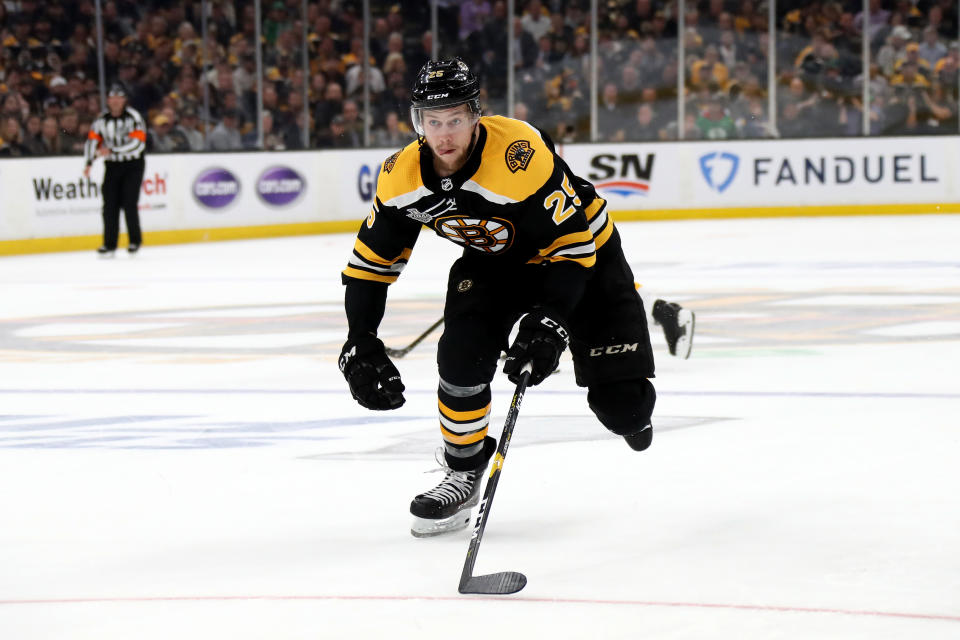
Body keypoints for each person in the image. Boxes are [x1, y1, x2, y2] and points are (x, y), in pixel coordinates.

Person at [337, 59, 690, 539]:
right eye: (432, 121)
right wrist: (360, 339)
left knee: (626, 411)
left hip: (583, 256)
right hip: (494, 260)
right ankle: (463, 470)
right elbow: (369, 267)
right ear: (417, 121)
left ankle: (636, 370)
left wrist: (550, 322)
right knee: (460, 357)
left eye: (456, 119)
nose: (444, 134)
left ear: (476, 115)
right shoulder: (401, 179)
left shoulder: (517, 156)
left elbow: (572, 249)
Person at [83, 84, 146, 257]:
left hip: (133, 164)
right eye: (113, 98)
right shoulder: (101, 120)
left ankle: (134, 241)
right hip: (112, 165)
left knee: (129, 202)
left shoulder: (134, 117)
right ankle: (109, 244)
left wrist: (113, 150)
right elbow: (92, 141)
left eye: (120, 98)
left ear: (125, 100)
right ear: (108, 101)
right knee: (109, 204)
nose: (116, 101)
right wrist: (89, 162)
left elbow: (138, 144)